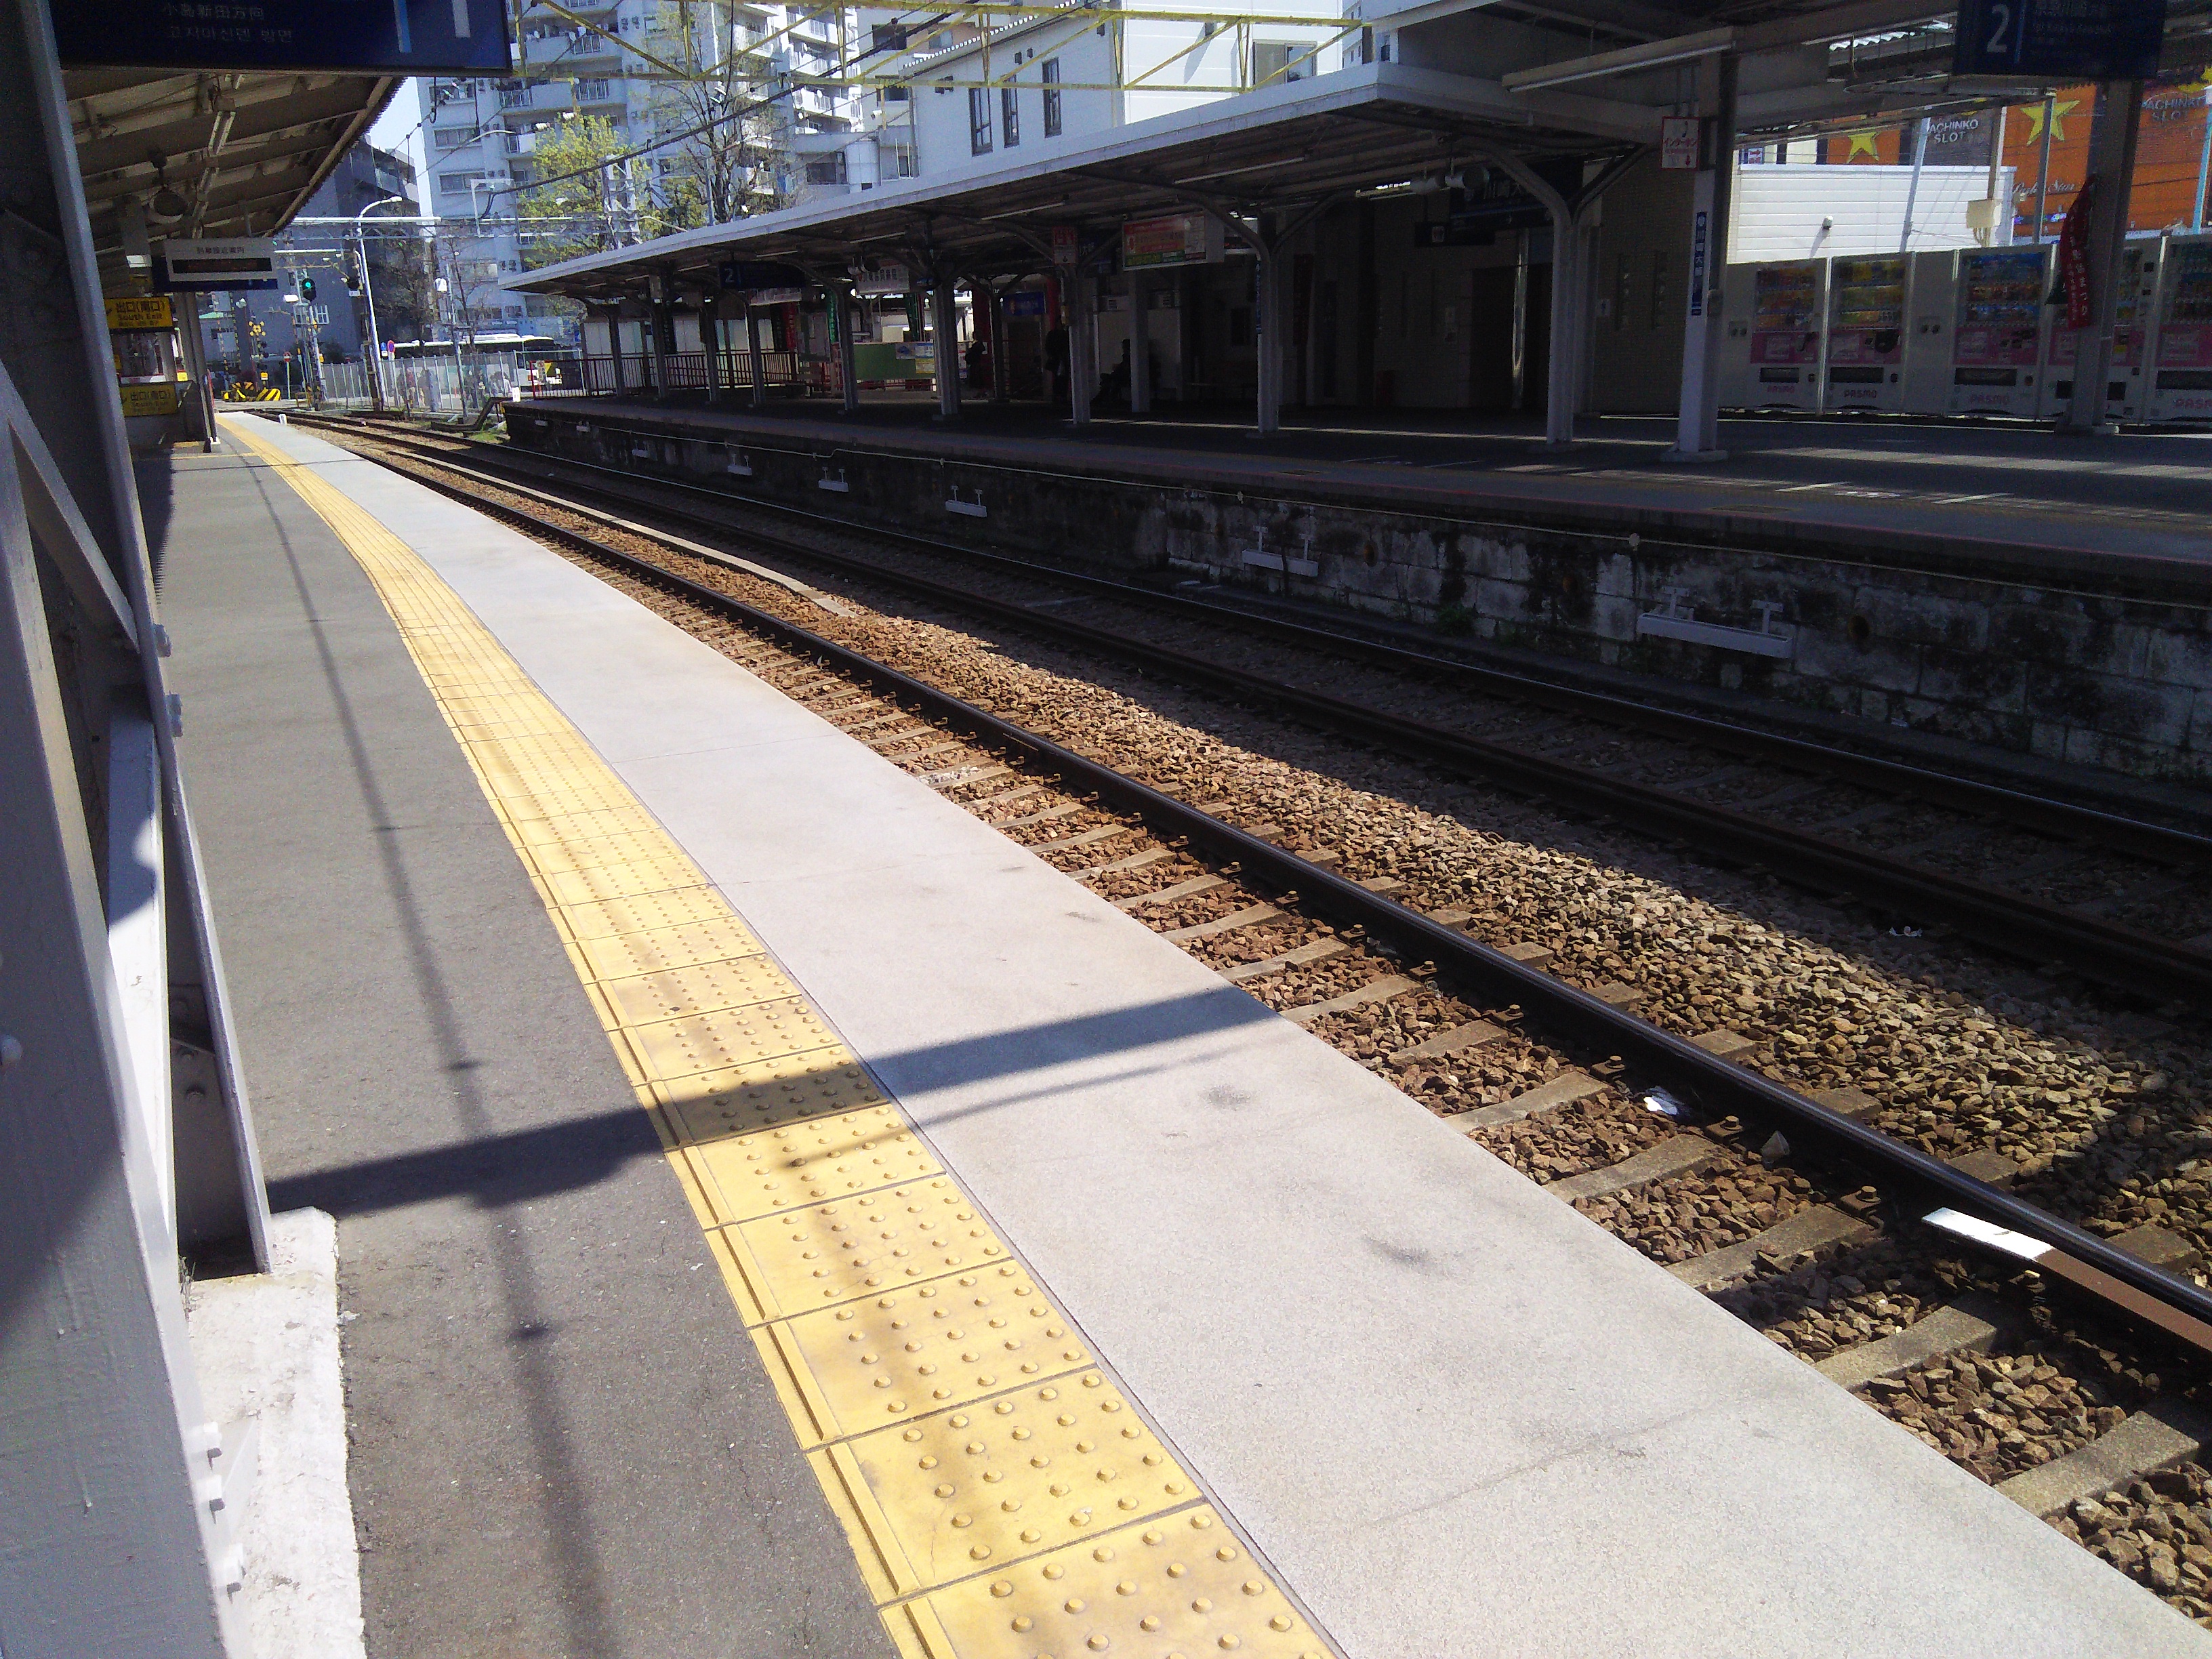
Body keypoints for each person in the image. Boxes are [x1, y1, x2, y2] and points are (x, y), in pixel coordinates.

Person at [1043, 320, 1069, 408]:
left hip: (1061, 359)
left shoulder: (1062, 334)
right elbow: (1048, 346)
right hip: (1058, 359)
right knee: (1059, 377)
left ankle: (1061, 395)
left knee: (1063, 377)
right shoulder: (1060, 335)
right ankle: (1059, 395)